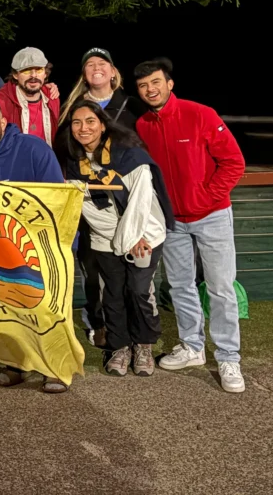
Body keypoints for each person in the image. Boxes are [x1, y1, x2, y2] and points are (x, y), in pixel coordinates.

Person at [134, 58, 247, 393]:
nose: (150, 89)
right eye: (143, 86)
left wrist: (206, 198)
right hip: (171, 222)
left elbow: (233, 162)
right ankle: (192, 347)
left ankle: (228, 357)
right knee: (181, 286)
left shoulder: (201, 114)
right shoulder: (142, 125)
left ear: (169, 84)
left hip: (211, 216)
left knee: (221, 288)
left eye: (155, 82)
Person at [0, 98, 68, 392]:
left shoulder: (34, 148)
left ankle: (54, 367)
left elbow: (57, 200)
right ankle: (16, 363)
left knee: (45, 308)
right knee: (6, 307)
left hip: (40, 244)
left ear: (3, 123)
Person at [61, 99, 174, 378]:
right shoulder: (74, 165)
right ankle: (119, 346)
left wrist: (134, 238)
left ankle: (143, 345)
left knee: (138, 290)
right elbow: (88, 211)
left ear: (102, 124)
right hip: (106, 237)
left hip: (144, 234)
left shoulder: (129, 155)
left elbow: (141, 202)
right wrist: (122, 239)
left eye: (90, 121)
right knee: (111, 294)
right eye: (77, 122)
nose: (83, 128)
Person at [0, 47, 61, 147]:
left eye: (39, 70)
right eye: (26, 70)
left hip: (46, 161)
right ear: (15, 74)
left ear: (45, 73)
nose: (33, 75)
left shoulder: (52, 98)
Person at [59, 48, 144, 127]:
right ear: (84, 75)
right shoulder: (71, 106)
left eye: (102, 63)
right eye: (90, 65)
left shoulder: (132, 105)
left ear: (113, 72)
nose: (96, 68)